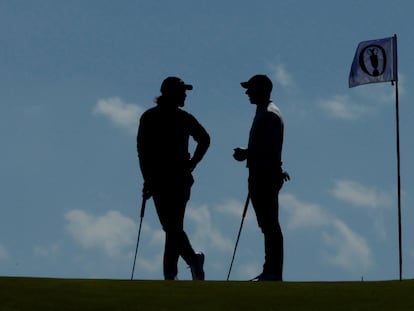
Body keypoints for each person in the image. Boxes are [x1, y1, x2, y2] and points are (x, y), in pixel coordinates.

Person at [137, 76, 210, 280]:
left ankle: (170, 274)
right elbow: (143, 151)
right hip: (161, 180)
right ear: (170, 93)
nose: (185, 95)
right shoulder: (151, 117)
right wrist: (148, 179)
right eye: (181, 91)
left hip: (178, 180)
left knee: (172, 227)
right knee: (172, 227)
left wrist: (193, 162)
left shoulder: (182, 117)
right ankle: (193, 260)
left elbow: (205, 139)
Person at [233, 74, 289, 281]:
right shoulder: (265, 113)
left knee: (270, 225)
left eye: (251, 89)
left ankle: (273, 271)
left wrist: (246, 153)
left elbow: (269, 149)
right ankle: (271, 270)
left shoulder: (269, 115)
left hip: (264, 175)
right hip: (262, 173)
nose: (247, 92)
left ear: (262, 90)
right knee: (267, 225)